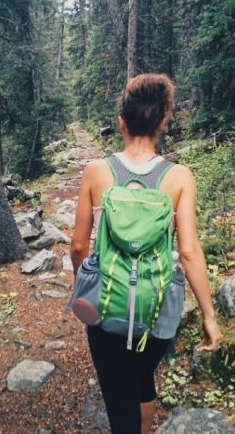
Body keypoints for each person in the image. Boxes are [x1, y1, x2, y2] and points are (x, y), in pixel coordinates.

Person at [70, 73, 222, 434]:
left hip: (108, 311)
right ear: (163, 124)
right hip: (158, 314)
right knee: (142, 376)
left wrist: (88, 282)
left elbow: (78, 246)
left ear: (121, 123)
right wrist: (209, 316)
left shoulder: (96, 172)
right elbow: (188, 251)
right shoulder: (179, 177)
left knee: (119, 402)